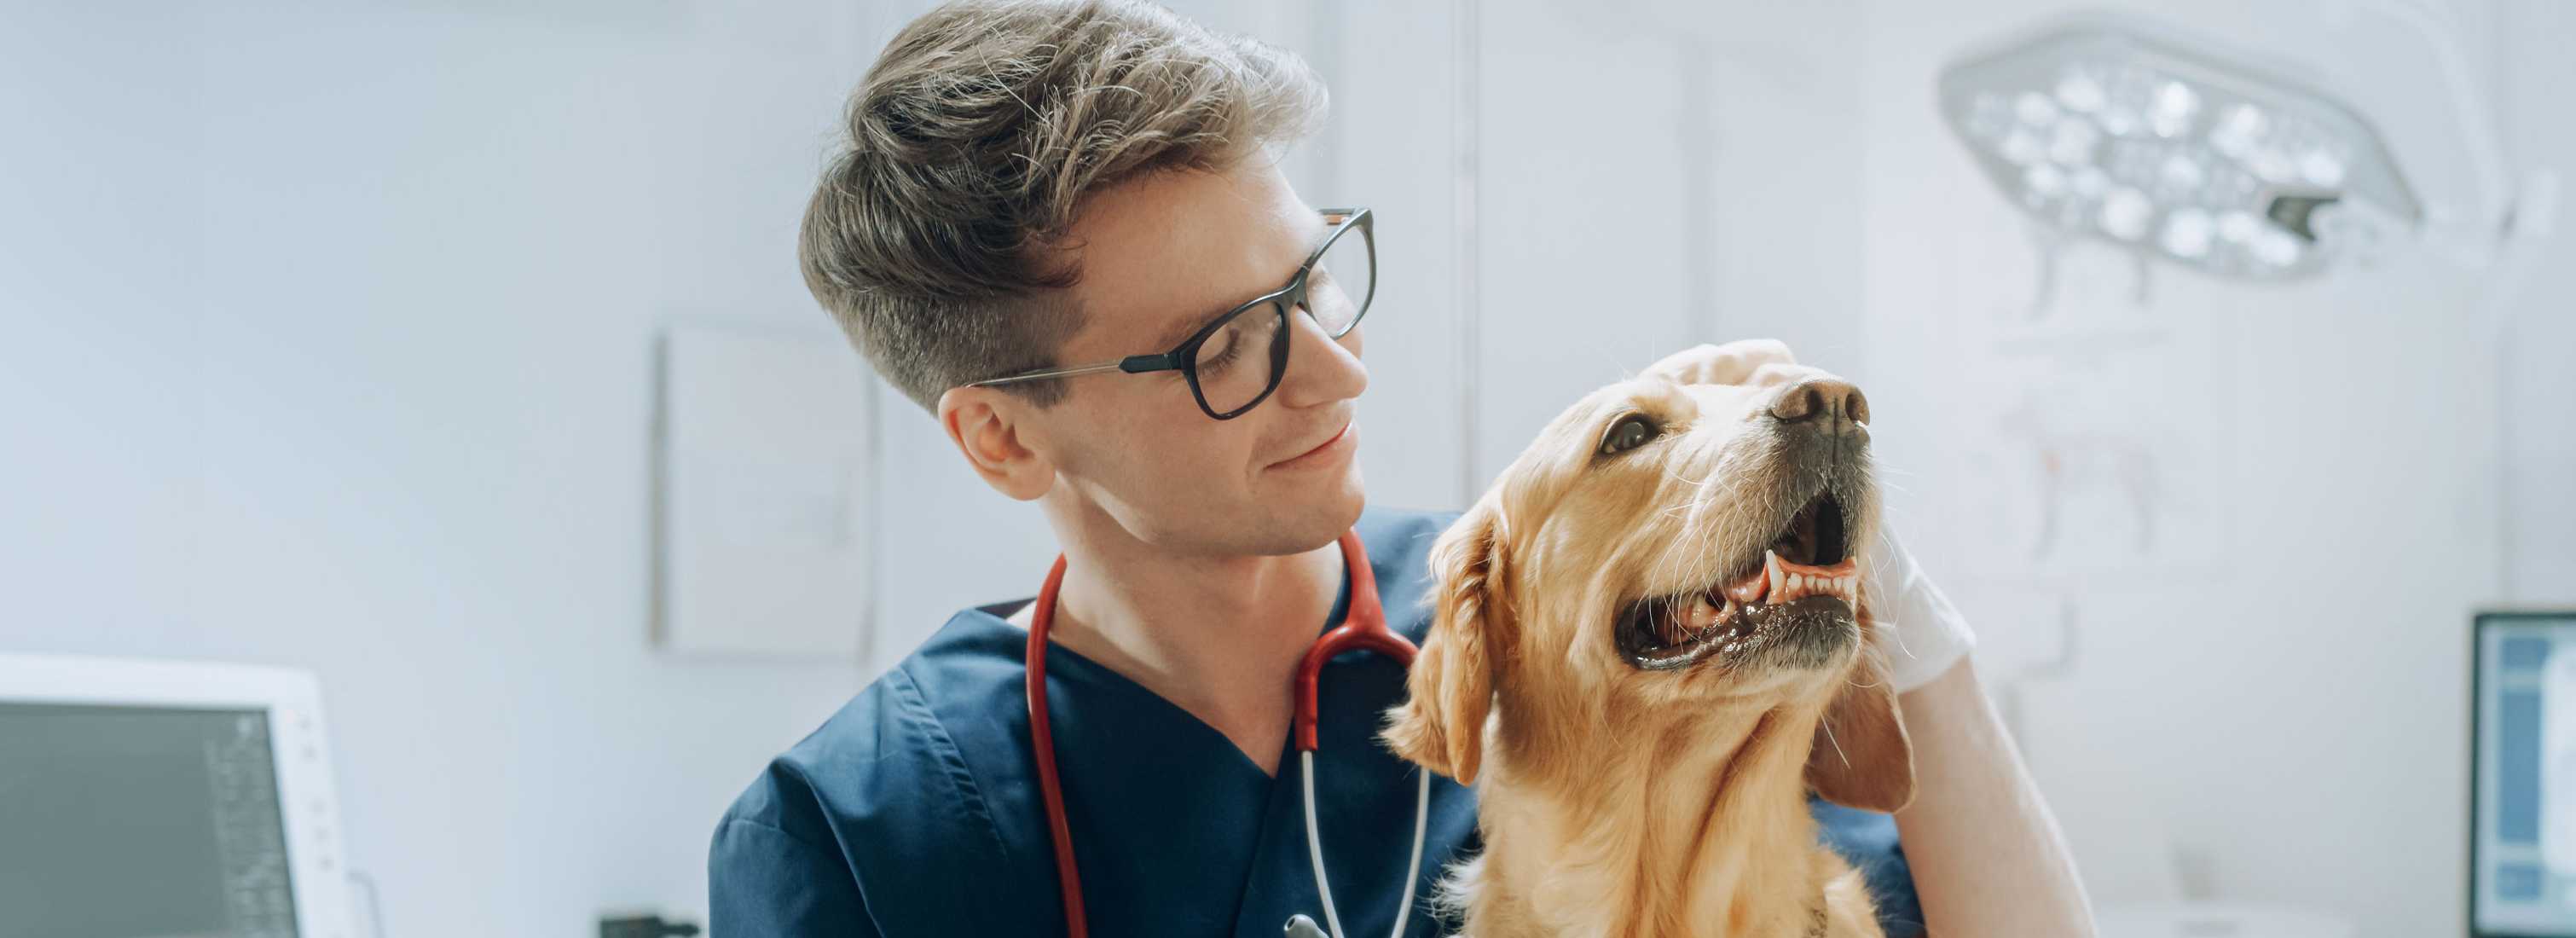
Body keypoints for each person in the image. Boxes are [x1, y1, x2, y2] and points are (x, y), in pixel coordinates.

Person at [706, 3, 2098, 935]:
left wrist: (1891, 597)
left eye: (1313, 283)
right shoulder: (860, 837)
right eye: (1223, 350)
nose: (1338, 371)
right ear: (1005, 436)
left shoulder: (1578, 623)